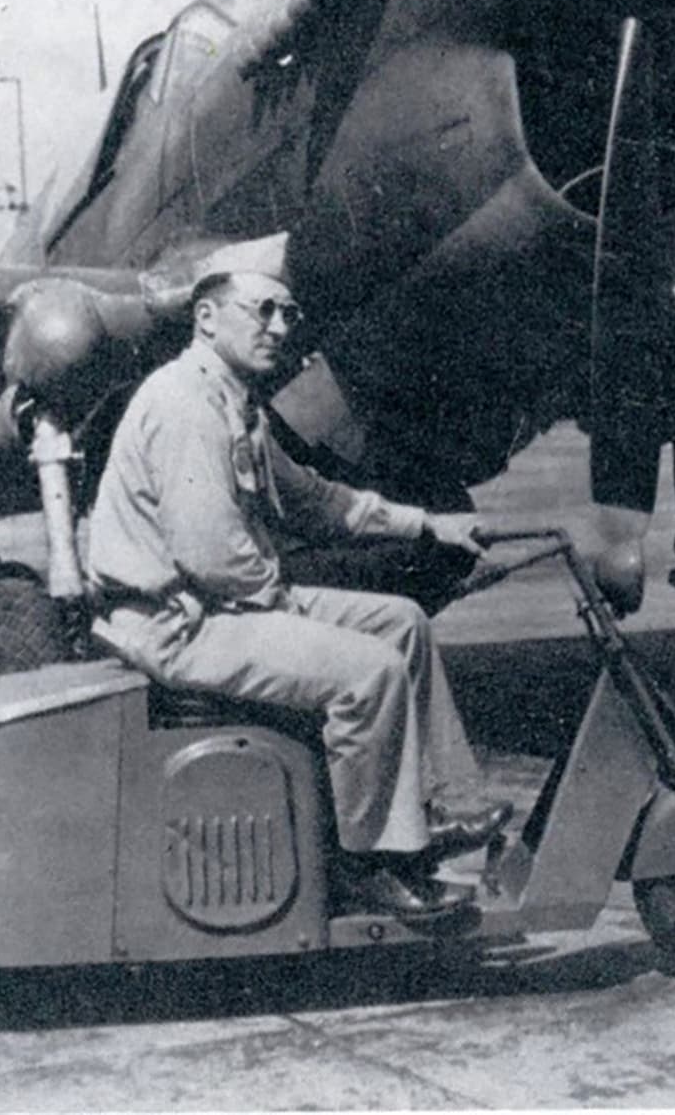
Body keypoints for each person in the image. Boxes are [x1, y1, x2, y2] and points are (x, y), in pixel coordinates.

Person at [79, 242, 509, 923]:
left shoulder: (235, 403)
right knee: (367, 673)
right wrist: (293, 615)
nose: (281, 327)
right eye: (264, 311)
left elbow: (314, 500)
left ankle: (448, 809)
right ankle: (373, 863)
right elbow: (212, 555)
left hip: (221, 605)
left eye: (288, 312)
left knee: (403, 623)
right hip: (175, 625)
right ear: (207, 318)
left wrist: (427, 524)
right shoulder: (185, 404)